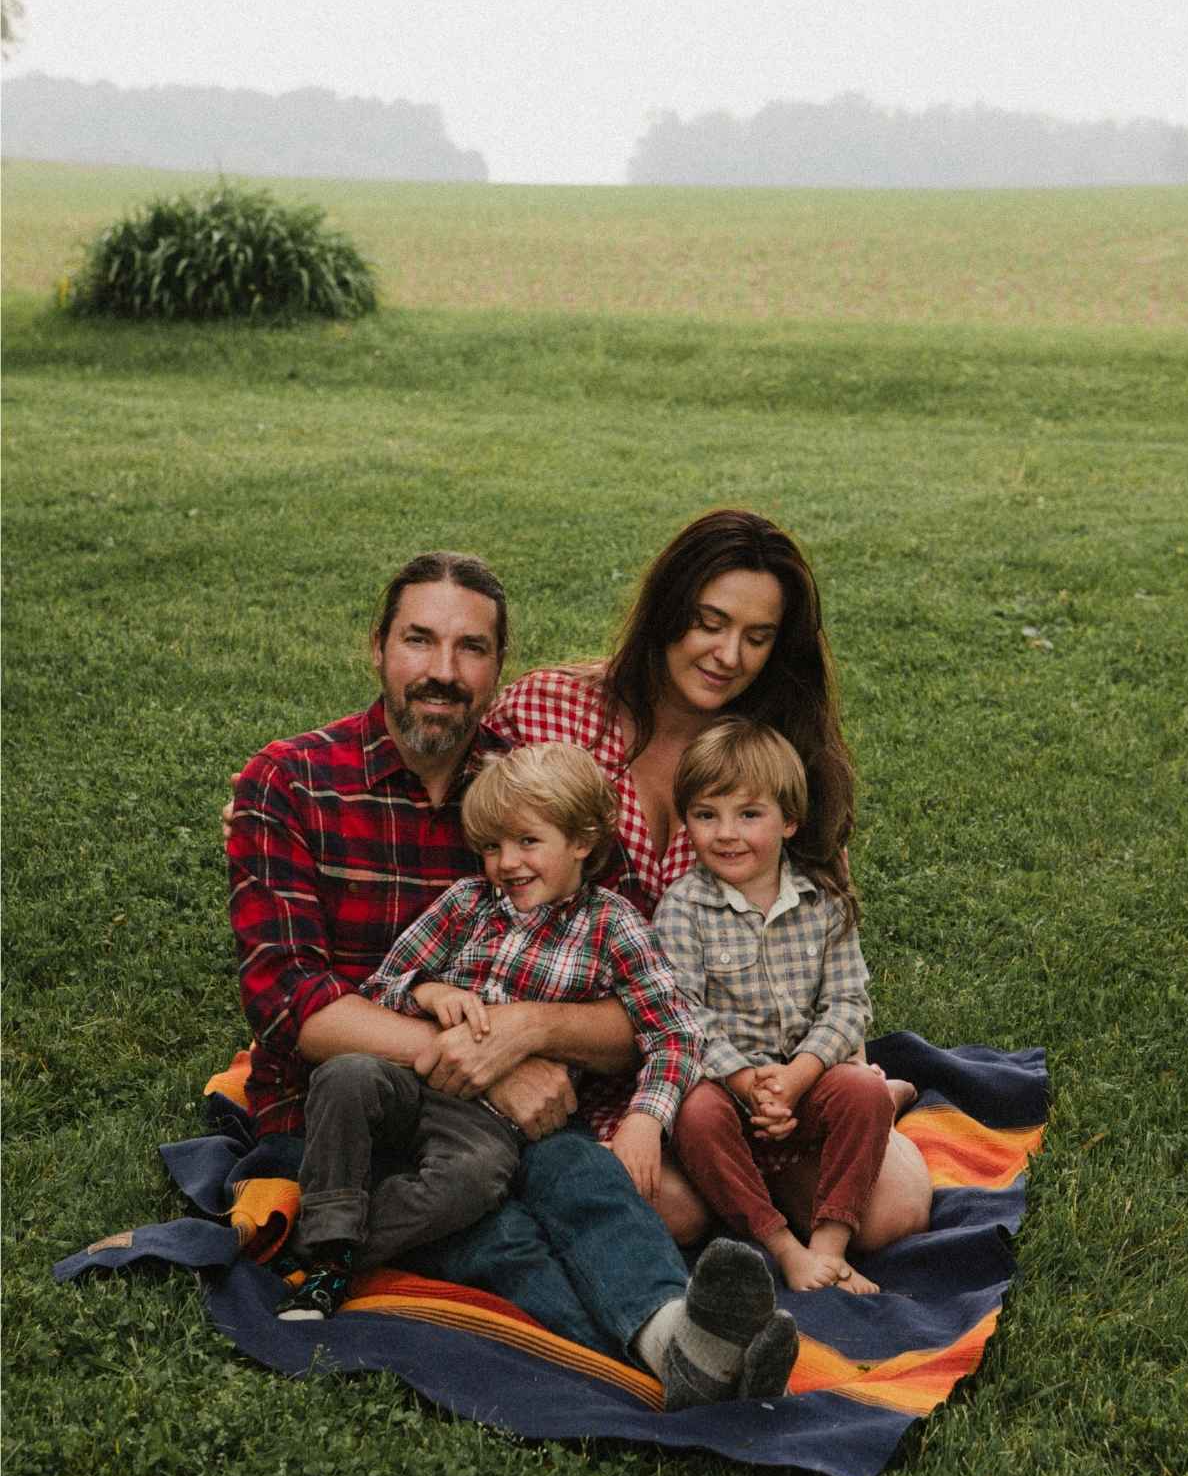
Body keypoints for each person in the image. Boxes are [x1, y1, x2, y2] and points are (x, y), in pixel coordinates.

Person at [227, 551, 797, 1406]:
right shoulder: (291, 781)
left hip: (512, 1120)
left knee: (593, 1191)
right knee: (497, 1227)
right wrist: (487, 1054)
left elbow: (639, 994)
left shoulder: (528, 784)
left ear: (501, 669)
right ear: (378, 646)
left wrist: (532, 1034)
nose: (443, 672)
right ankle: (663, 1347)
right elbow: (290, 1004)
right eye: (419, 641)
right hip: (351, 1110)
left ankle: (677, 1343)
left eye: (473, 649)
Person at [485, 508, 931, 1245]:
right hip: (582, 1059)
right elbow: (470, 853)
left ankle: (854, 1116)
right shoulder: (549, 711)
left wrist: (828, 1076)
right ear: (668, 609)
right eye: (709, 622)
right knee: (671, 1209)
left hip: (735, 1070)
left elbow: (821, 936)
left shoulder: (778, 759)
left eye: (757, 638)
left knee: (892, 1211)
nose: (728, 654)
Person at [278, 741, 704, 1320]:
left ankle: (332, 1253)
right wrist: (428, 991)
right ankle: (332, 1230)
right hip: (411, 1078)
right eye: (492, 847)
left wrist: (646, 1119)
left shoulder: (613, 926)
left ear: (581, 841)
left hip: (487, 1123)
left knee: (473, 1181)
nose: (507, 863)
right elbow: (381, 987)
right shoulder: (466, 904)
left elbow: (675, 1032)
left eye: (528, 842)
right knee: (346, 1075)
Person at [656, 718, 926, 1294]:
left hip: (808, 1079)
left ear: (789, 821)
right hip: (732, 1090)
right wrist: (750, 1081)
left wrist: (801, 1076)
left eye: (749, 814)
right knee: (694, 1115)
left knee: (862, 1091)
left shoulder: (822, 902)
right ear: (687, 823)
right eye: (707, 815)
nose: (726, 833)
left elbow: (849, 1003)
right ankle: (783, 1246)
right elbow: (684, 1012)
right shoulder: (682, 908)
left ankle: (830, 1244)